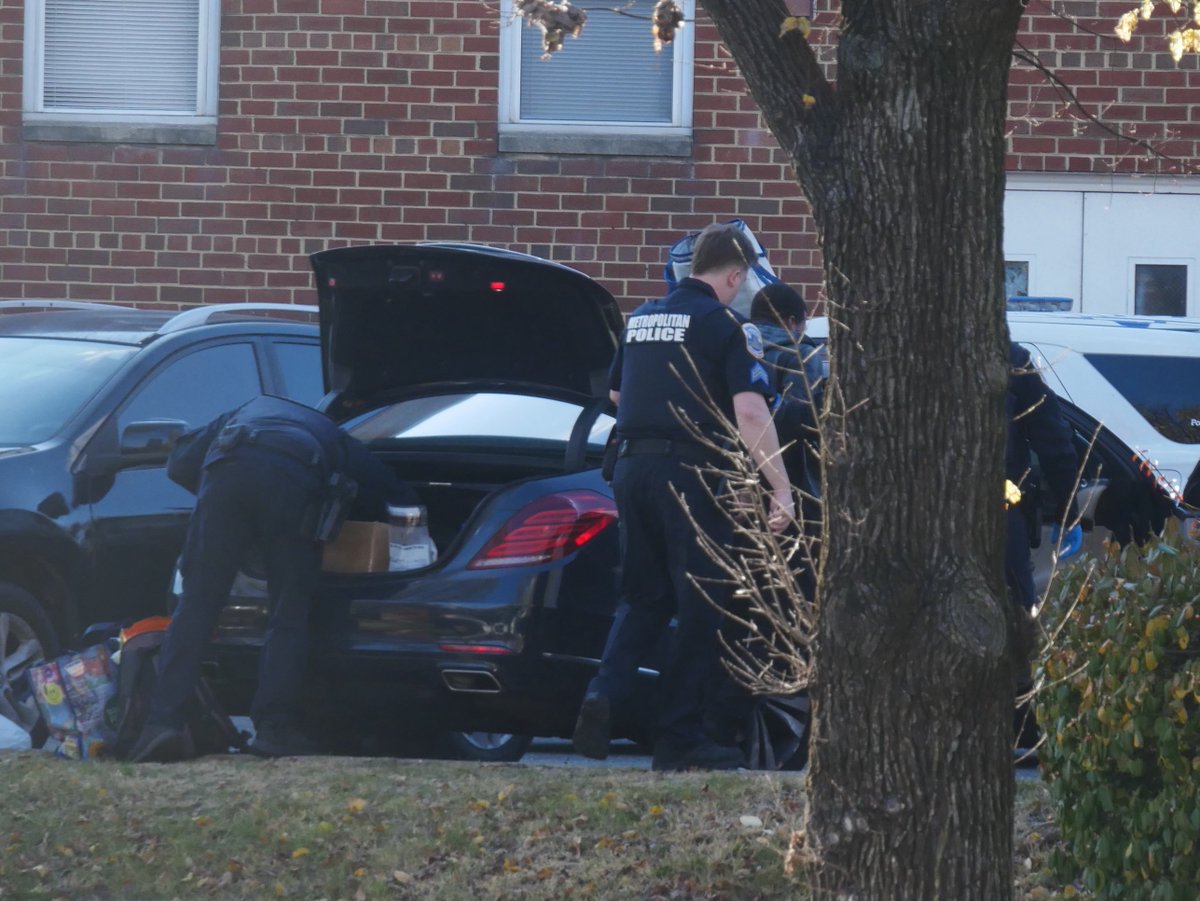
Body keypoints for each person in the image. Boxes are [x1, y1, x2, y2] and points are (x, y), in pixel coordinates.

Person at [572, 222, 794, 772]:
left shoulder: (643, 318)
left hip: (631, 470)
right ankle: (680, 738)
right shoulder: (724, 325)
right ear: (734, 275)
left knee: (643, 599)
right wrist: (781, 488)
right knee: (702, 605)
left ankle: (603, 693)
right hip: (689, 473)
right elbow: (750, 412)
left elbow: (620, 392)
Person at [126, 394, 416, 762]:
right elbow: (393, 496)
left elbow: (179, 463)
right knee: (289, 611)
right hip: (291, 481)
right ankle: (273, 729)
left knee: (196, 604)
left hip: (225, 473)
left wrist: (231, 516)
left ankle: (162, 723)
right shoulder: (334, 435)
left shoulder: (244, 409)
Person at [1006, 342, 1082, 614]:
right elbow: (1054, 442)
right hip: (999, 513)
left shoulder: (898, 349)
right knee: (1018, 619)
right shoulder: (1008, 357)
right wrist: (1068, 514)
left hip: (912, 514)